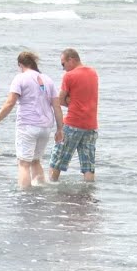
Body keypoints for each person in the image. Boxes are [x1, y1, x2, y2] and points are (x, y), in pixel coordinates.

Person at [0, 51, 64, 189]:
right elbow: (57, 106)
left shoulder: (20, 78)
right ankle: (40, 192)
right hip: (46, 127)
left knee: (23, 163)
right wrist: (60, 129)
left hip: (28, 126)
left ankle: (25, 197)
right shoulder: (48, 79)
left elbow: (10, 103)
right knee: (36, 161)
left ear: (20, 64)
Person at [49, 48, 99, 182]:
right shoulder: (93, 73)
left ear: (71, 60)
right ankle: (88, 194)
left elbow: (60, 100)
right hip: (91, 125)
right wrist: (73, 100)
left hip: (73, 123)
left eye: (63, 64)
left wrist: (70, 101)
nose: (63, 68)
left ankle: (52, 191)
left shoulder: (69, 76)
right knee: (88, 165)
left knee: (57, 161)